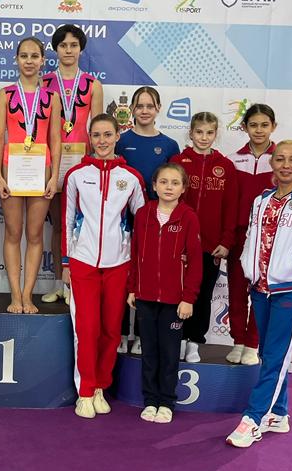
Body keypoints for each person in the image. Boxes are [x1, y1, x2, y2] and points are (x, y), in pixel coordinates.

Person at [226, 141, 292, 448]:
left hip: (289, 291)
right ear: (272, 163)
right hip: (261, 289)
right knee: (270, 354)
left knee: (276, 356)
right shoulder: (261, 200)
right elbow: (252, 235)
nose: (286, 165)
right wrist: (248, 265)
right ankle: (279, 413)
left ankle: (254, 419)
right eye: (281, 159)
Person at [62, 114, 145, 419]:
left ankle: (100, 386)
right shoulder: (76, 175)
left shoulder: (131, 177)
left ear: (118, 136)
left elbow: (142, 224)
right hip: (83, 262)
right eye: (96, 135)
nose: (102, 141)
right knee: (87, 329)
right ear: (90, 138)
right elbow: (67, 219)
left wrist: (136, 265)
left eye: (107, 134)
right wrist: (66, 262)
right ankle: (84, 391)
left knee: (111, 330)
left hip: (118, 264)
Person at [128, 163, 203, 423]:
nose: (168, 187)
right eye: (163, 182)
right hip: (146, 297)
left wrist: (188, 298)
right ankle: (150, 400)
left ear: (183, 188)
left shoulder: (188, 217)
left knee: (170, 353)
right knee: (149, 351)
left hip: (174, 301)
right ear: (154, 186)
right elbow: (135, 253)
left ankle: (166, 402)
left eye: (175, 183)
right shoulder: (143, 214)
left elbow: (195, 262)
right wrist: (133, 288)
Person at [0, 37, 61, 314]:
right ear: (16, 59)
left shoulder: (52, 97)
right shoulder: (5, 95)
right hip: (12, 168)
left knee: (35, 235)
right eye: (24, 56)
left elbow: (55, 138)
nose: (29, 61)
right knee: (13, 233)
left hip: (40, 170)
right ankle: (14, 294)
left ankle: (27, 294)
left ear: (43, 60)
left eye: (34, 56)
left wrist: (54, 176)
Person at [41, 24, 104, 306]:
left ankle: (77, 285)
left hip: (82, 164)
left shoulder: (93, 85)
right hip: (53, 162)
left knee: (80, 226)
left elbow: (98, 128)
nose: (68, 50)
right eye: (63, 45)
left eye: (73, 45)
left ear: (81, 49)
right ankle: (59, 283)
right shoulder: (44, 83)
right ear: (56, 49)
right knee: (58, 226)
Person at [116, 86, 180, 354]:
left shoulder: (169, 145)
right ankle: (121, 333)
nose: (144, 111)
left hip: (156, 223)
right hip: (122, 220)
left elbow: (175, 185)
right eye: (139, 106)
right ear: (132, 109)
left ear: (158, 109)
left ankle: (143, 335)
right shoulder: (120, 141)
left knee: (147, 277)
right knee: (122, 277)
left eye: (150, 106)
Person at [171, 112, 238, 363]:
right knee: (177, 293)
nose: (204, 137)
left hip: (211, 246)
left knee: (203, 295)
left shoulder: (226, 167)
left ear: (216, 134)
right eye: (199, 132)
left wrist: (226, 241)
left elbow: (231, 208)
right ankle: (177, 338)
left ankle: (195, 342)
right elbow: (168, 201)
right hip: (178, 243)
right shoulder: (178, 161)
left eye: (209, 132)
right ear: (191, 133)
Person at [227, 103, 277, 365]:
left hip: (268, 238)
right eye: (254, 125)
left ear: (273, 127)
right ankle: (238, 340)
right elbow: (228, 203)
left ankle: (252, 343)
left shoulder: (281, 159)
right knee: (236, 291)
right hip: (239, 237)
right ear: (244, 127)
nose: (259, 130)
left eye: (264, 125)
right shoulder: (233, 160)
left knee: (260, 291)